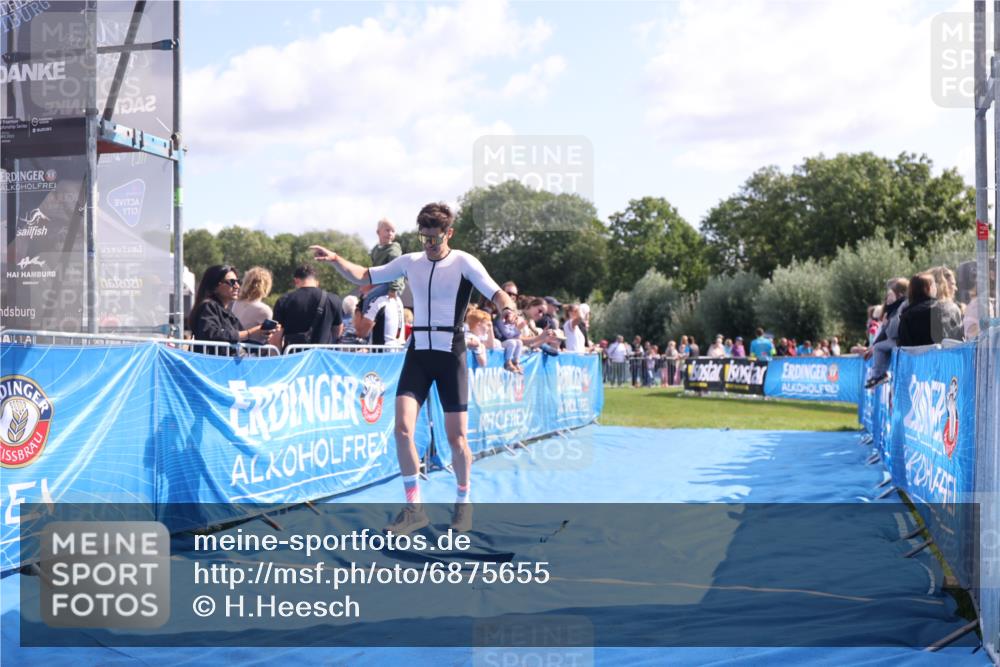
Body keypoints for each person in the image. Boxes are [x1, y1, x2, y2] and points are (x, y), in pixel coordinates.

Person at [310, 202, 515, 534]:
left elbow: (495, 292)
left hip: (451, 353)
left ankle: (463, 503)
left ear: (449, 233)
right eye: (424, 238)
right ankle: (414, 508)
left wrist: (507, 309)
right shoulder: (411, 262)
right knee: (402, 429)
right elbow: (364, 275)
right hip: (419, 351)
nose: (430, 245)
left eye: (435, 239)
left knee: (457, 438)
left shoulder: (464, 262)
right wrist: (336, 259)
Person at [187, 265, 277, 355]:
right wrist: (249, 333)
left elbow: (242, 339)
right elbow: (212, 334)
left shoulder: (226, 311)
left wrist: (262, 334)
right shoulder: (208, 306)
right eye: (232, 282)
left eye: (238, 282)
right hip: (212, 365)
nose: (237, 286)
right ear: (215, 285)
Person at [273, 265, 343, 349]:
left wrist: (280, 358)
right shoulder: (334, 299)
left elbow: (276, 338)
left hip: (294, 357)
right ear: (317, 282)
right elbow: (338, 331)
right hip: (322, 357)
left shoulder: (284, 300)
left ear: (296, 281)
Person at [359, 218, 405, 311]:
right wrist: (367, 283)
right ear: (378, 232)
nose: (390, 233)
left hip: (391, 283)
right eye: (387, 230)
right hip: (379, 281)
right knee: (362, 295)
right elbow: (374, 270)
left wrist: (393, 289)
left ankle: (367, 321)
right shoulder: (376, 250)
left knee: (369, 297)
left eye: (393, 231)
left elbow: (398, 271)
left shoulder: (393, 250)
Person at [231, 266, 279, 350]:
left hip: (235, 350)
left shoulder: (235, 303)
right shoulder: (264, 310)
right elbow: (269, 338)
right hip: (253, 354)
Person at [898, 273, 939, 348]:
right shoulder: (942, 309)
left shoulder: (906, 316)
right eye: (934, 285)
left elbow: (904, 346)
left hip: (917, 358)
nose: (936, 288)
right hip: (942, 357)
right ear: (927, 288)